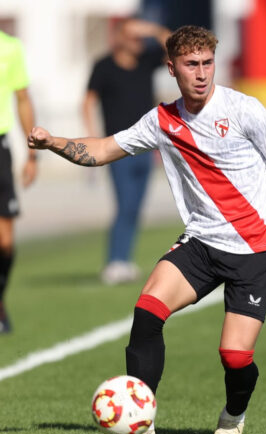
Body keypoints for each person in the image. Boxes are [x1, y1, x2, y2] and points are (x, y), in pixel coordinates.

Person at [28, 25, 266, 434]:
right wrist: (53, 142)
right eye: (191, 64)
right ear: (171, 67)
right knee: (146, 312)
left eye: (207, 63)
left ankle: (234, 414)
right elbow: (103, 150)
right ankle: (141, 427)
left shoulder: (244, 110)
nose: (201, 73)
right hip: (200, 243)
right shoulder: (162, 120)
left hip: (255, 250)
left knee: (235, 356)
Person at [83, 18, 171, 285]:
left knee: (135, 207)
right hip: (116, 147)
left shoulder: (146, 61)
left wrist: (153, 29)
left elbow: (174, 46)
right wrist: (93, 139)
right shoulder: (104, 66)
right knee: (124, 204)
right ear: (119, 38)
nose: (137, 41)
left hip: (146, 147)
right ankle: (114, 261)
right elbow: (87, 102)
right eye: (132, 36)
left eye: (138, 37)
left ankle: (124, 259)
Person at [0, 30, 38, 334]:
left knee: (5, 242)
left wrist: (32, 154)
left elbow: (23, 98)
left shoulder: (10, 48)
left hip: (0, 149)